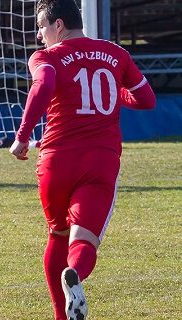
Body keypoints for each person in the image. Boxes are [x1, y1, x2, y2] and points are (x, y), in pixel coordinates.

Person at [9, 1, 156, 319]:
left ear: (58, 25)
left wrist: (22, 136)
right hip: (100, 162)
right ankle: (74, 274)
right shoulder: (116, 54)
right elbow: (146, 99)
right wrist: (118, 95)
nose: (39, 35)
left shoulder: (47, 57)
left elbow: (44, 84)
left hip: (55, 161)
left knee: (58, 235)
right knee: (83, 241)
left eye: (41, 27)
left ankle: (61, 316)